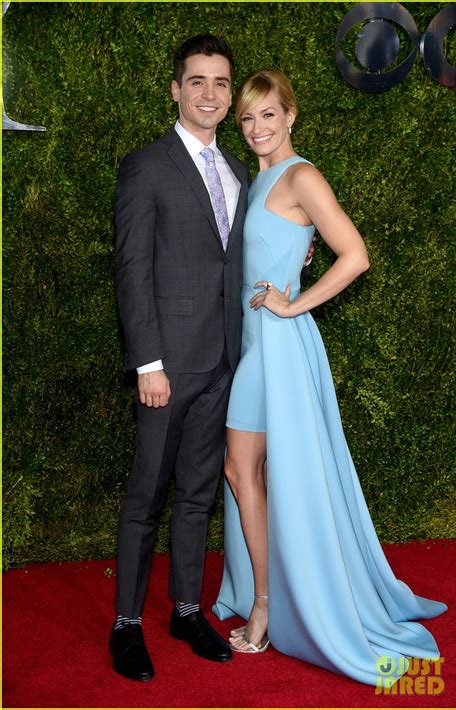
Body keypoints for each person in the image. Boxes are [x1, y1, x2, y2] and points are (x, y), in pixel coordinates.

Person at [213, 69, 448, 687]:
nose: (258, 128)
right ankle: (267, 593)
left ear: (291, 116)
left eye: (269, 115)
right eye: (247, 118)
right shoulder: (259, 178)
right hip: (254, 346)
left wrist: (292, 303)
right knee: (250, 474)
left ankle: (266, 605)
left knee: (245, 471)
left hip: (279, 349)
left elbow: (357, 253)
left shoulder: (301, 176)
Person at [111, 34, 250, 681]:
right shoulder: (147, 166)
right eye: (197, 81)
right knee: (147, 496)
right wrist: (148, 364)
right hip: (166, 369)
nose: (209, 94)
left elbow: (236, 262)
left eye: (221, 83)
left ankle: (187, 609)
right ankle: (127, 625)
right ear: (175, 88)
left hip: (223, 364)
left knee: (197, 494)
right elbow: (132, 271)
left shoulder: (238, 173)